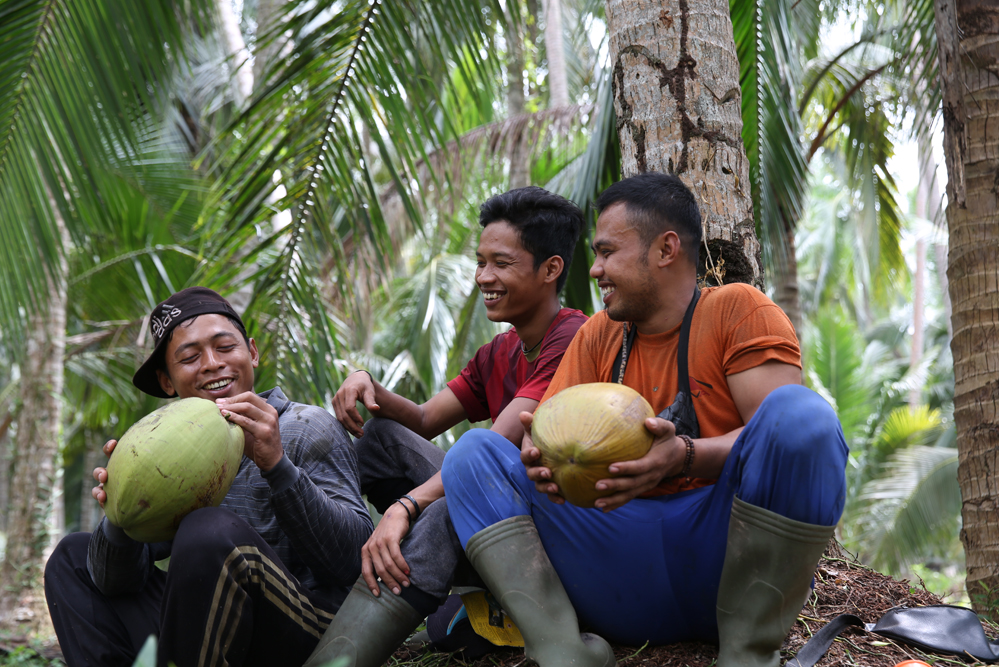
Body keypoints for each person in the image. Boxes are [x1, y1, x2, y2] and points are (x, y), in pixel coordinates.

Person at [310, 172, 849, 667]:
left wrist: (682, 456)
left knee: (804, 417)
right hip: (615, 565)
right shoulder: (596, 336)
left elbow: (775, 438)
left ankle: (747, 653)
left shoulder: (738, 309)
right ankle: (561, 652)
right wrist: (543, 469)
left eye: (608, 252)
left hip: (720, 560)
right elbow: (530, 443)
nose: (594, 269)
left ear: (665, 249)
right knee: (476, 453)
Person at [308, 186, 586, 663]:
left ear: (551, 269)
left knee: (450, 493)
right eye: (480, 262)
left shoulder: (575, 337)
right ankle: (361, 562)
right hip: (496, 504)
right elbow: (420, 420)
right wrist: (367, 382)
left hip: (552, 527)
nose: (484, 277)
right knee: (379, 437)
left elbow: (491, 452)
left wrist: (404, 507)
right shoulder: (496, 353)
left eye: (501, 263)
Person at [44, 287, 373, 667]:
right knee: (72, 557)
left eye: (225, 347)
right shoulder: (172, 451)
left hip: (306, 628)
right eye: (189, 357)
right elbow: (112, 583)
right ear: (167, 382)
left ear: (252, 352)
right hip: (207, 631)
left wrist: (278, 466)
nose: (212, 364)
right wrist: (120, 509)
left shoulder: (305, 426)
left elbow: (353, 560)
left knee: (207, 530)